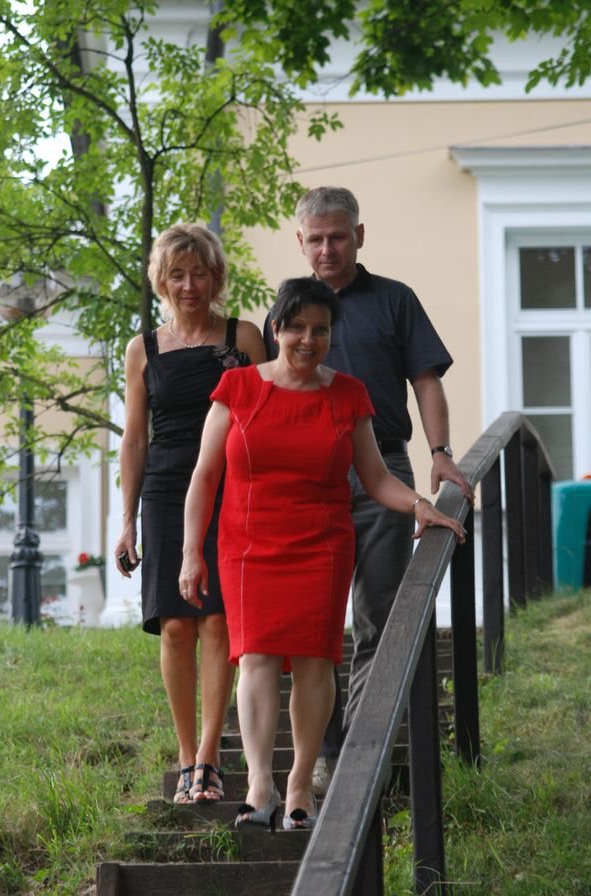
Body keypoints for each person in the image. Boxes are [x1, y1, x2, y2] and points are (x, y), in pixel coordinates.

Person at [179, 277, 466, 831]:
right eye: (296, 328)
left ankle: (299, 785)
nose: (308, 340)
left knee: (315, 661)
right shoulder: (237, 387)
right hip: (247, 546)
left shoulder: (349, 395)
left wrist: (419, 506)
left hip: (321, 545)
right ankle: (259, 784)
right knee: (256, 658)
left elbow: (375, 477)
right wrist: (192, 553)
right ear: (275, 329)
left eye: (321, 330)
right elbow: (204, 477)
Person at [263, 187, 474, 796]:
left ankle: (359, 752)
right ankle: (322, 753)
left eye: (338, 236)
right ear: (299, 242)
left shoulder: (394, 299)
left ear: (359, 235)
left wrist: (440, 452)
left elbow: (426, 380)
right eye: (316, 239)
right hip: (309, 476)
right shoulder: (290, 306)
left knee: (378, 615)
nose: (327, 249)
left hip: (383, 465)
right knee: (314, 622)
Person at [115, 222, 266, 805]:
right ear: (161, 281)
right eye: (176, 274)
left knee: (217, 621)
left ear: (216, 277)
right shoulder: (143, 349)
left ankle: (210, 756)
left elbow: (266, 420)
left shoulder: (243, 338)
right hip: (164, 489)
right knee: (175, 625)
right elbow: (135, 439)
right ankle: (185, 759)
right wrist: (127, 520)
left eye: (199, 273)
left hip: (230, 486)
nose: (188, 285)